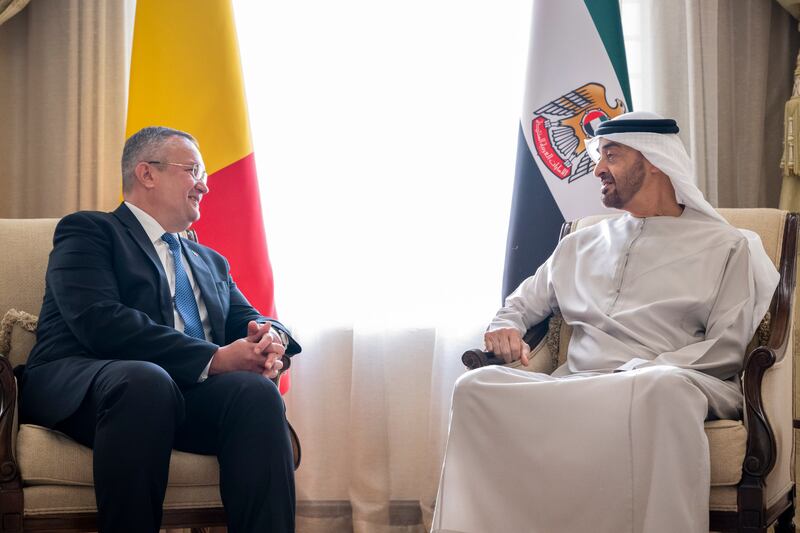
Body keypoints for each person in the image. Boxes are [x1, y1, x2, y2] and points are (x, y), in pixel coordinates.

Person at [431, 111, 779, 533]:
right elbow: (521, 305)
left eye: (610, 155)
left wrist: (636, 371)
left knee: (660, 388)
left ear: (653, 161)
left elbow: (725, 347)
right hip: (578, 382)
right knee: (475, 387)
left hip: (672, 379)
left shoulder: (726, 246)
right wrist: (506, 326)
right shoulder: (580, 242)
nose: (597, 169)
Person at [19, 126, 301, 533]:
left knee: (254, 392)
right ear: (147, 174)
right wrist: (214, 358)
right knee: (144, 379)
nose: (204, 185)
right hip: (92, 387)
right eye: (193, 171)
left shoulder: (210, 261)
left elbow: (250, 319)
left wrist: (270, 339)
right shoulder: (89, 231)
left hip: (180, 394)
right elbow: (99, 320)